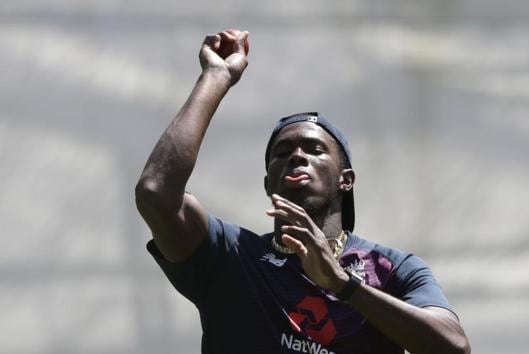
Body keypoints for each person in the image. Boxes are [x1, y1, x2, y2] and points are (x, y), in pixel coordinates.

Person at [135, 29, 470, 354]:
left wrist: (342, 284)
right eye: (282, 153)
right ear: (269, 184)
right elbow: (156, 192)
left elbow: (454, 348)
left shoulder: (394, 268)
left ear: (346, 180)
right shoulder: (232, 255)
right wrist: (216, 76)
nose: (296, 155)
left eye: (315, 149)